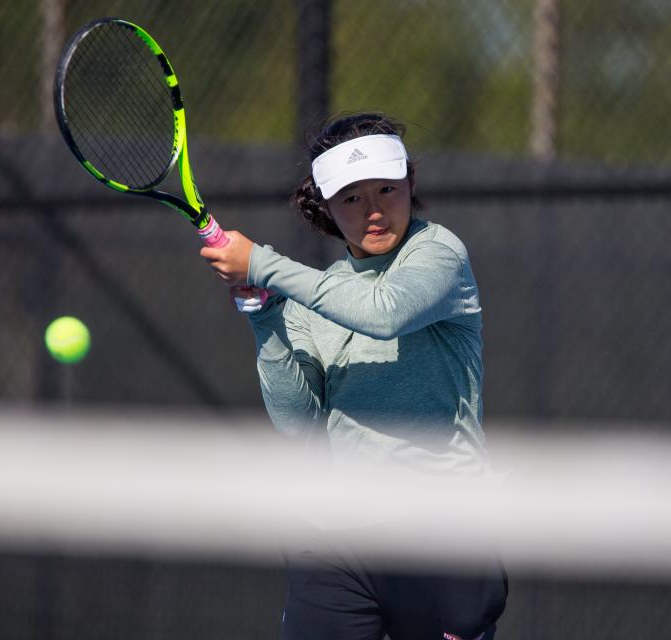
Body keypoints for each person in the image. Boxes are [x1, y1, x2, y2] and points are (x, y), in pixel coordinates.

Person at [200, 112, 506, 640]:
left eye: (387, 188)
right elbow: (299, 423)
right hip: (335, 539)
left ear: (410, 182)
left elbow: (383, 312)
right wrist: (268, 319)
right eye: (352, 198)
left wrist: (263, 264)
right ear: (325, 207)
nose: (374, 210)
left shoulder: (439, 252)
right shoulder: (315, 295)